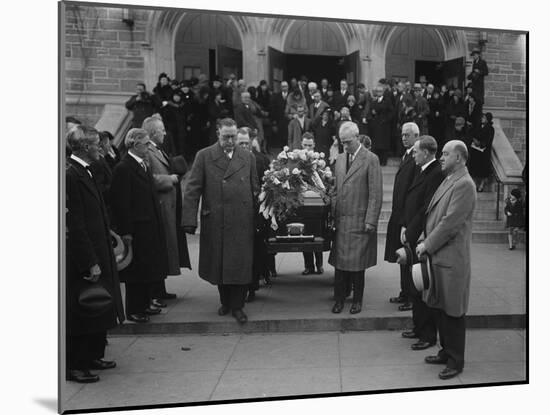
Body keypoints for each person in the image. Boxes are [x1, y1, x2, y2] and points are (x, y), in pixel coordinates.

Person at [182, 118, 260, 324]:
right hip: (217, 220)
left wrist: (261, 216)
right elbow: (192, 190)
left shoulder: (248, 157)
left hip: (242, 221)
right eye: (226, 136)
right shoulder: (204, 156)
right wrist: (189, 220)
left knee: (240, 266)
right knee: (220, 265)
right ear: (218, 134)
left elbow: (255, 189)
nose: (230, 141)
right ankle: (225, 301)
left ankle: (238, 306)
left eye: (233, 137)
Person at [66, 125, 125, 383]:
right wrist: (90, 262)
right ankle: (75, 365)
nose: (101, 148)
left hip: (100, 249)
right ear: (84, 148)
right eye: (96, 144)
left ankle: (92, 355)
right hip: (84, 257)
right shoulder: (70, 174)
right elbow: (75, 224)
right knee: (83, 310)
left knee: (98, 307)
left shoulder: (86, 170)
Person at [416, 140, 476, 380]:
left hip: (450, 259)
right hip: (440, 257)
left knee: (453, 312)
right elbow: (434, 215)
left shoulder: (465, 185)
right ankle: (445, 351)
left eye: (445, 154)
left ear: (459, 158)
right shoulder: (450, 179)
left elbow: (449, 224)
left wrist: (426, 244)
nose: (441, 157)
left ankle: (455, 360)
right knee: (441, 308)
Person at [110, 128, 168, 323]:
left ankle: (144, 304)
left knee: (147, 267)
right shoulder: (123, 168)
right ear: (134, 145)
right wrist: (126, 231)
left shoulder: (143, 164)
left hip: (149, 225)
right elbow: (121, 203)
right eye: (145, 144)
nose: (149, 147)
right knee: (136, 270)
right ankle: (134, 309)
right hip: (136, 229)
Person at [329, 121, 383, 314]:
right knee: (340, 265)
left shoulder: (371, 159)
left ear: (357, 137)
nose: (344, 146)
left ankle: (357, 300)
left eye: (348, 142)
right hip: (342, 220)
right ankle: (339, 299)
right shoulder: (341, 159)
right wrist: (333, 211)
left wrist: (371, 220)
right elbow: (335, 189)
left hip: (360, 221)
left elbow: (376, 193)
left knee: (358, 266)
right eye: (342, 142)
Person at [399, 136, 445, 350]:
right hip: (413, 232)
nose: (413, 154)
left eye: (416, 151)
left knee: (423, 286)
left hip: (422, 236)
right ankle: (418, 328)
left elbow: (426, 207)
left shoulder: (435, 172)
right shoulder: (422, 168)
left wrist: (410, 231)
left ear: (426, 152)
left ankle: (428, 335)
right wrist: (404, 225)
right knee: (415, 286)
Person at [142, 116, 184, 305]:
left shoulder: (156, 149)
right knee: (161, 248)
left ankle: (161, 288)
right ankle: (155, 290)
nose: (165, 133)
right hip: (161, 204)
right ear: (152, 133)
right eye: (162, 130)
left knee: (166, 247)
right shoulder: (147, 150)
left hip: (168, 204)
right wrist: (171, 179)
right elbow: (149, 178)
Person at [384, 122, 420, 311]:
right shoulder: (407, 155)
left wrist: (407, 221)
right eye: (403, 135)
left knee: (409, 258)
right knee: (401, 258)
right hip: (399, 215)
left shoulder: (416, 157)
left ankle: (412, 296)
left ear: (416, 136)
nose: (404, 138)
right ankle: (404, 292)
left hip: (407, 218)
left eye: (408, 135)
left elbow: (413, 193)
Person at [235, 128, 271, 301]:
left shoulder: (259, 160)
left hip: (255, 213)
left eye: (246, 143)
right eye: (240, 143)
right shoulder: (231, 161)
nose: (244, 146)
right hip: (236, 215)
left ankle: (252, 286)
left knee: (255, 252)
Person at [301, 132, 325, 275]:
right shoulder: (298, 161)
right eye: (305, 145)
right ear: (301, 145)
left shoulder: (320, 161)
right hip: (304, 205)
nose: (308, 148)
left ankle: (319, 265)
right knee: (305, 237)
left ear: (314, 145)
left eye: (310, 145)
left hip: (318, 206)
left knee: (318, 235)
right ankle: (308, 266)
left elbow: (324, 182)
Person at [468, 112, 495, 191]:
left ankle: (481, 185)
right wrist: (474, 140)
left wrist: (481, 143)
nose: (482, 119)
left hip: (484, 152)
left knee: (483, 170)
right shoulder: (478, 126)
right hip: (475, 151)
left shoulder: (490, 129)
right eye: (482, 117)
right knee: (474, 169)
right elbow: (473, 134)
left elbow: (489, 140)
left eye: (484, 118)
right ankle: (475, 184)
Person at [369, 85, 393, 166]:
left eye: (380, 91)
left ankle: (383, 161)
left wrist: (385, 120)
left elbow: (391, 113)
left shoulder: (387, 101)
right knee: (376, 144)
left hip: (384, 126)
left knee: (383, 144)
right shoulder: (374, 101)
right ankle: (377, 161)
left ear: (383, 92)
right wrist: (372, 114)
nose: (378, 93)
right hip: (376, 126)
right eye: (377, 91)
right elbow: (371, 112)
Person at [270, 81, 290, 149]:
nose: (284, 88)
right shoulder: (276, 96)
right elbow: (273, 109)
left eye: (285, 86)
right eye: (283, 86)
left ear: (288, 87)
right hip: (280, 120)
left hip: (289, 120)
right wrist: (274, 122)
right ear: (280, 87)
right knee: (281, 137)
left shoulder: (291, 95)